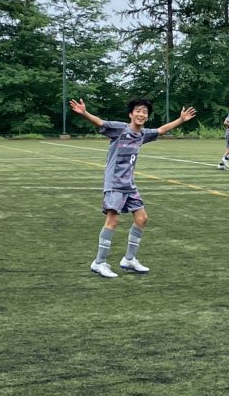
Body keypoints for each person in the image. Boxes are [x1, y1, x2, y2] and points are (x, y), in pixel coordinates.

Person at [69, 94, 196, 278]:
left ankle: (129, 259)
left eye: (145, 112)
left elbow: (161, 130)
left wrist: (181, 120)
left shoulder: (142, 134)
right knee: (112, 220)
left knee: (142, 219)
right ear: (131, 114)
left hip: (129, 185)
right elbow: (101, 123)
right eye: (138, 111)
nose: (141, 114)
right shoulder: (120, 129)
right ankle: (99, 262)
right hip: (114, 183)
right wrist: (84, 113)